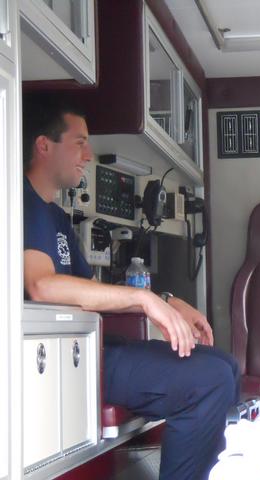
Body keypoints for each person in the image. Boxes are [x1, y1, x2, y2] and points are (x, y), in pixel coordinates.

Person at [22, 97, 239, 480]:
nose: (88, 154)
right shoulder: (20, 204)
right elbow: (41, 285)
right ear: (44, 145)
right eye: (80, 142)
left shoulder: (55, 215)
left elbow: (90, 291)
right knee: (210, 380)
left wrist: (166, 300)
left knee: (225, 365)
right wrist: (143, 298)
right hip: (60, 359)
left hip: (94, 346)